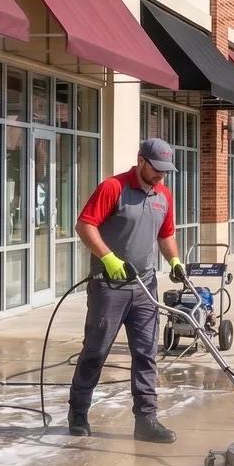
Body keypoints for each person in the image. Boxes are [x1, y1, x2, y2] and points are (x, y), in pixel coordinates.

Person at [68, 138, 187, 443]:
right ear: (141, 161)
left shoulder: (164, 196)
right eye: (157, 169)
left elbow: (166, 234)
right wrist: (107, 257)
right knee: (96, 351)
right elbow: (85, 226)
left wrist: (174, 260)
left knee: (146, 354)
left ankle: (146, 420)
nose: (161, 176)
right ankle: (78, 412)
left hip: (145, 287)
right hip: (109, 288)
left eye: (165, 170)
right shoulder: (113, 187)